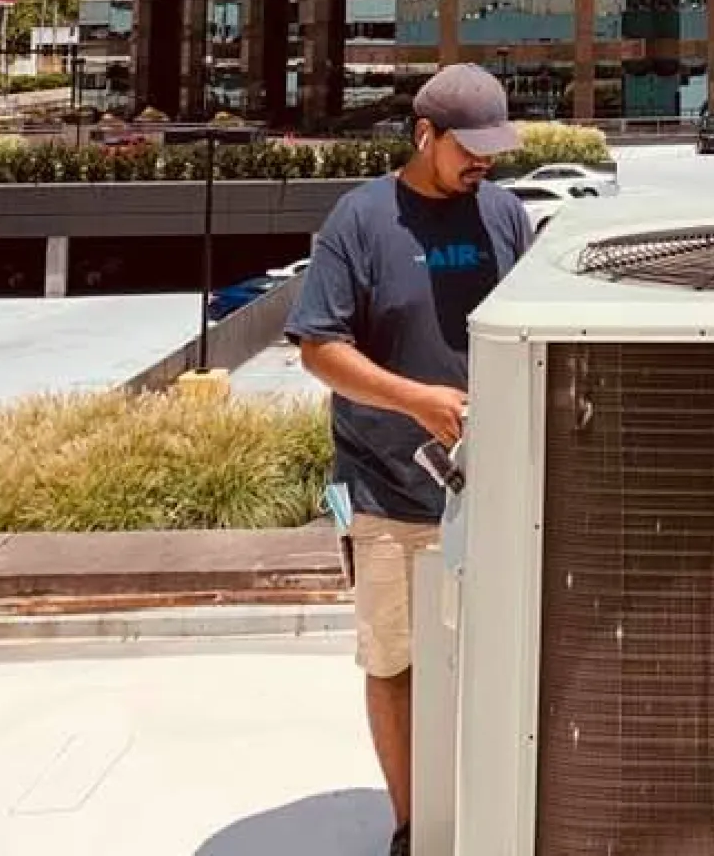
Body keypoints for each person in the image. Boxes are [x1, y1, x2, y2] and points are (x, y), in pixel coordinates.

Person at [288, 63, 534, 856]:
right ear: (425, 136)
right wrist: (417, 399)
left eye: (496, 147)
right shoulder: (359, 220)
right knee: (395, 660)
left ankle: (490, 809)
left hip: (495, 491)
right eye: (471, 147)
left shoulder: (504, 214)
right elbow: (319, 349)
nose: (485, 162)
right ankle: (411, 823)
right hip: (386, 486)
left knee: (495, 658)